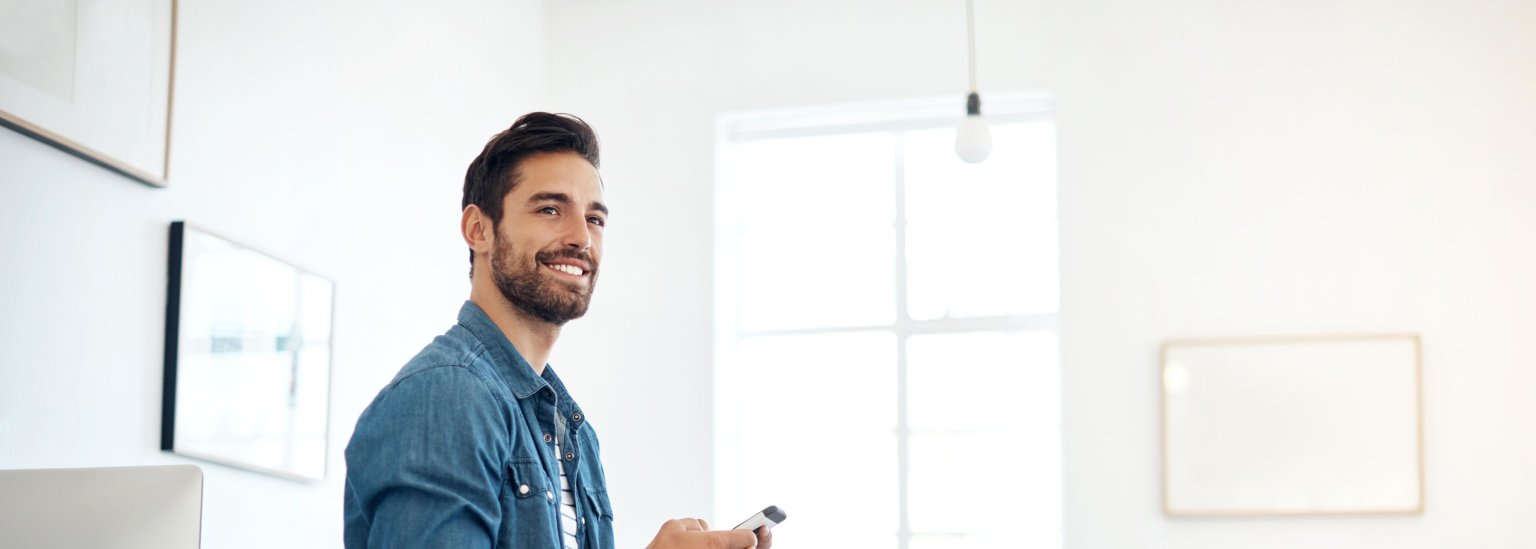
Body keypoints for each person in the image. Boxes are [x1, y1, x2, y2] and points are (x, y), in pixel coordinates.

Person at [343, 112, 771, 549]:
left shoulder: (573, 430)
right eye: (550, 209)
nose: (581, 238)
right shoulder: (445, 396)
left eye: (595, 219)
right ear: (478, 230)